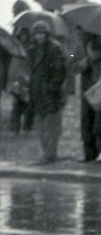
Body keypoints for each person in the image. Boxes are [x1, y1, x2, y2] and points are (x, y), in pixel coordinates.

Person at [27, 20, 68, 163]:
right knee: (41, 125)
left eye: (42, 33)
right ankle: (46, 153)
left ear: (47, 34)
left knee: (51, 125)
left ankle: (50, 154)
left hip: (50, 93)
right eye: (36, 33)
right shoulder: (33, 49)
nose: (39, 36)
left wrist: (51, 88)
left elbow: (59, 71)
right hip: (38, 91)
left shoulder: (54, 49)